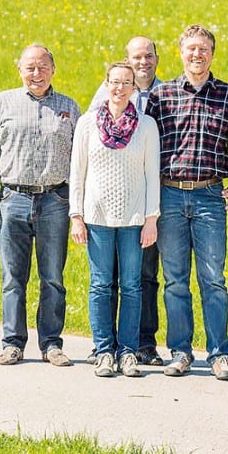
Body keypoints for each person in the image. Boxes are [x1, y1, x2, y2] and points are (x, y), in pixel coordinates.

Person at [146, 24, 228, 381]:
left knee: (213, 278)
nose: (197, 55)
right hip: (169, 194)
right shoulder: (162, 97)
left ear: (212, 54)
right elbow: (147, 149)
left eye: (203, 49)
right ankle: (181, 352)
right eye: (191, 49)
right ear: (181, 53)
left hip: (209, 196)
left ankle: (219, 354)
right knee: (175, 280)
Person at [0, 44, 81, 367]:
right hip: (13, 198)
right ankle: (12, 342)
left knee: (52, 277)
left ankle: (51, 343)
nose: (37, 74)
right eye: (30, 67)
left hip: (54, 200)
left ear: (53, 69)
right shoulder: (2, 102)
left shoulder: (68, 107)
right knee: (13, 276)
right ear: (19, 69)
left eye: (43, 67)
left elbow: (81, 159)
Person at [70, 61, 161, 378]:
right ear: (106, 84)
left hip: (135, 218)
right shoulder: (86, 124)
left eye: (127, 83)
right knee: (100, 285)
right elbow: (77, 174)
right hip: (97, 218)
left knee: (132, 286)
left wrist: (152, 219)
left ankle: (128, 352)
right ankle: (104, 350)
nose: (120, 88)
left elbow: (153, 175)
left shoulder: (147, 126)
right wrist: (76, 216)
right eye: (115, 82)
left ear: (135, 88)